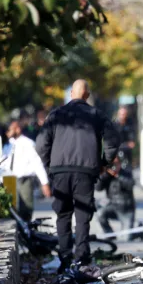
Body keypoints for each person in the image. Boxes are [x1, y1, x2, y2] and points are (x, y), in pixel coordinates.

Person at [36, 79, 120, 273]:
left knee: (63, 215)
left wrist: (50, 165)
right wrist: (103, 163)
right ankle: (81, 258)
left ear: (71, 94)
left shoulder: (56, 115)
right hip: (86, 172)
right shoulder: (97, 115)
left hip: (60, 172)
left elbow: (41, 145)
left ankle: (65, 258)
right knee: (83, 216)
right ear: (87, 95)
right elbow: (113, 140)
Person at [3, 120, 52, 221]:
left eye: (10, 129)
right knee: (12, 208)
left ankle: (28, 229)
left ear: (18, 129)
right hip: (9, 180)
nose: (8, 131)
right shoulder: (7, 145)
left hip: (24, 180)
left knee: (26, 207)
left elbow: (37, 163)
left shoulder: (28, 143)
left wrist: (44, 183)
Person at [96, 148, 139, 241]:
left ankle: (138, 233)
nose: (114, 166)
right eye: (112, 164)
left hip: (126, 210)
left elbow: (130, 184)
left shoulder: (126, 172)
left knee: (127, 238)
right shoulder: (107, 175)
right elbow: (98, 188)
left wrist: (118, 175)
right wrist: (105, 175)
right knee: (100, 213)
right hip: (113, 207)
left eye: (116, 164)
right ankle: (110, 234)